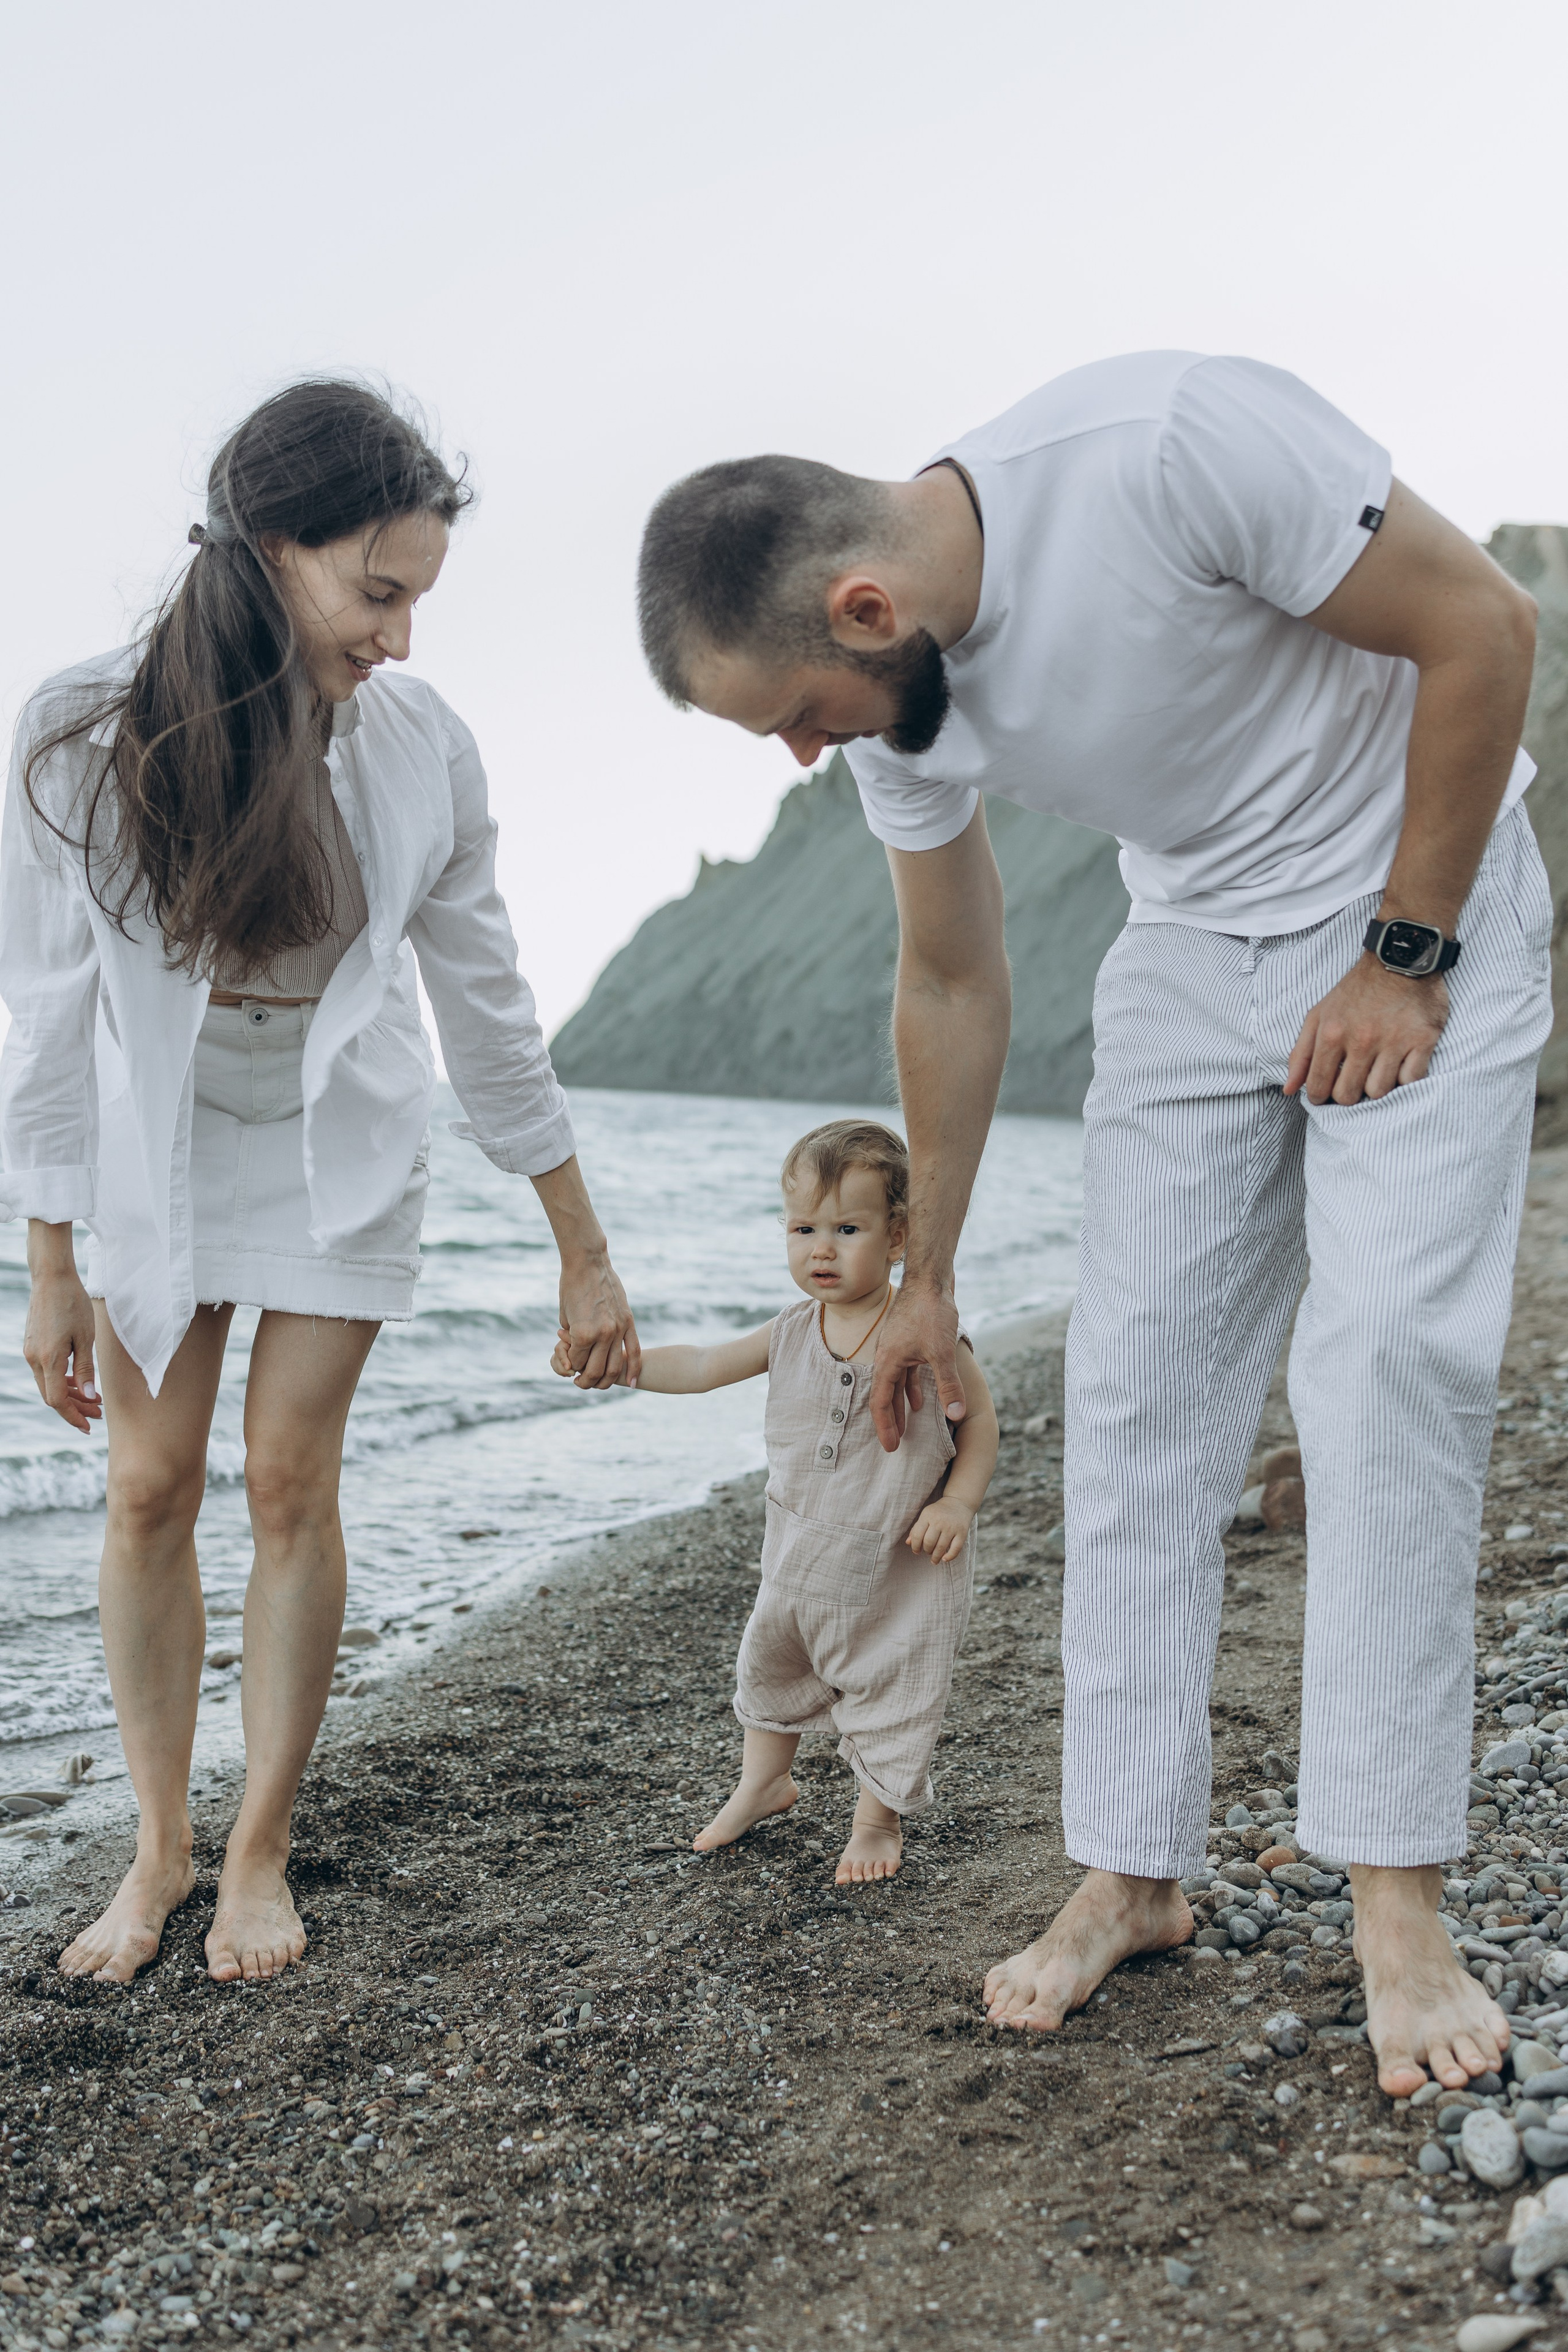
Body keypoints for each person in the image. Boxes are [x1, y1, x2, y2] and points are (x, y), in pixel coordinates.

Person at [631, 352, 1553, 2099]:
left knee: (1378, 1381)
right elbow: (957, 976)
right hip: (1194, 952)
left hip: (1418, 889)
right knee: (1135, 1408)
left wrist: (1406, 952)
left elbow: (1486, 629)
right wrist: (931, 1284)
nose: (805, 749)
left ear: (865, 602)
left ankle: (1399, 1899)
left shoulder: (1170, 449)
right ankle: (1133, 1868)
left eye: (797, 711)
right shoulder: (908, 718)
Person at [2, 379, 639, 1986]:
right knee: (147, 1487)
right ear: (275, 550)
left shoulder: (422, 752)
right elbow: (54, 1014)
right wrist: (52, 1259)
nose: (403, 638)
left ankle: (259, 1850)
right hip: (164, 1147)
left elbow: (490, 1009)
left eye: (417, 598)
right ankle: (158, 1850)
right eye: (380, 592)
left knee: (291, 1481)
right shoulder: (83, 733)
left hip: (335, 1142)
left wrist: (583, 1251)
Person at [554, 1119, 997, 1883]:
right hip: (797, 1556)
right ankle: (765, 1783)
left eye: (846, 1228)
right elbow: (699, 1364)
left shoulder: (927, 1334)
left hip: (899, 1563)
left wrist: (956, 1503)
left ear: (897, 1238)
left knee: (893, 1694)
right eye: (803, 1228)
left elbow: (980, 1423)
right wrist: (622, 1366)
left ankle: (874, 1822)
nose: (819, 1248)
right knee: (770, 1668)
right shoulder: (793, 1330)